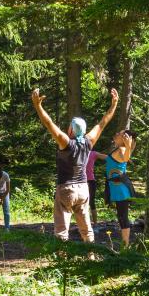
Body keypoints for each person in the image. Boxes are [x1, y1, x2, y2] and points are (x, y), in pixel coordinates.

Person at [31, 87, 118, 242]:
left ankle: (62, 260)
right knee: (86, 230)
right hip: (83, 189)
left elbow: (49, 123)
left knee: (61, 231)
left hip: (66, 189)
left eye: (70, 126)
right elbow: (103, 122)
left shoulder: (66, 143)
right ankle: (90, 256)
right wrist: (114, 104)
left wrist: (38, 106)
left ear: (71, 129)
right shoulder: (89, 141)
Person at [106, 130, 137, 247]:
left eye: (119, 134)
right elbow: (112, 160)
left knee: (123, 217)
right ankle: (125, 245)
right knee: (121, 216)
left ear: (124, 138)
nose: (116, 134)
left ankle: (126, 246)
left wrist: (128, 146)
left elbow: (124, 159)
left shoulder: (123, 149)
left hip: (121, 189)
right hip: (117, 188)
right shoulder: (119, 150)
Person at [85, 149, 107, 229]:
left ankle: (95, 224)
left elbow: (107, 158)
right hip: (80, 181)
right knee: (82, 203)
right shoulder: (77, 152)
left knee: (91, 202)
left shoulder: (93, 153)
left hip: (90, 181)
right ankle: (85, 225)